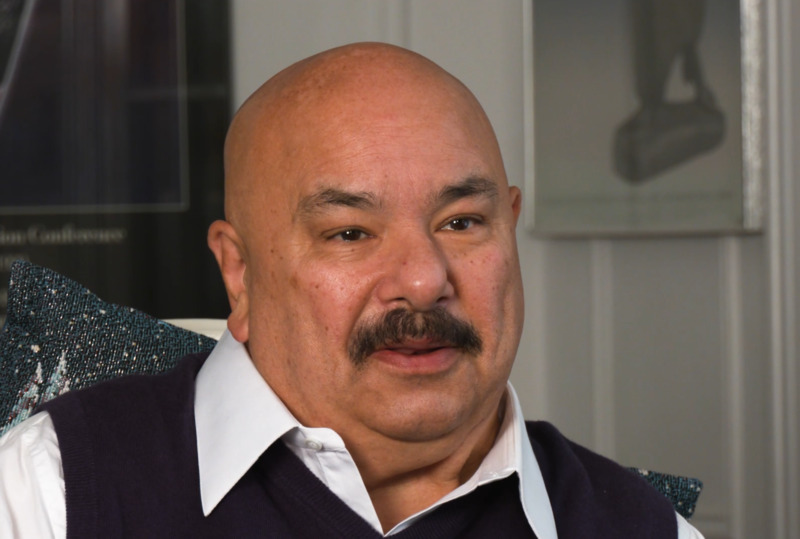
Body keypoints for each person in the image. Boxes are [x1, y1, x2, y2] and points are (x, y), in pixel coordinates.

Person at [0, 43, 703, 537]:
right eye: (350, 233)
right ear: (239, 274)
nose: (424, 280)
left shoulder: (642, 527)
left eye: (461, 222)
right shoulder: (47, 497)